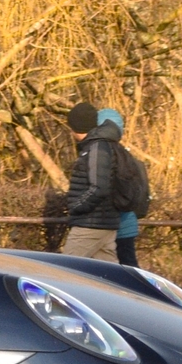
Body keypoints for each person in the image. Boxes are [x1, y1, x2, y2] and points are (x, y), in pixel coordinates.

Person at [60, 104, 148, 265]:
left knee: (65, 269)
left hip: (90, 223)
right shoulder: (102, 145)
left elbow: (98, 188)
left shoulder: (96, 147)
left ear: (76, 127)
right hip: (104, 223)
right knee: (109, 277)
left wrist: (76, 206)